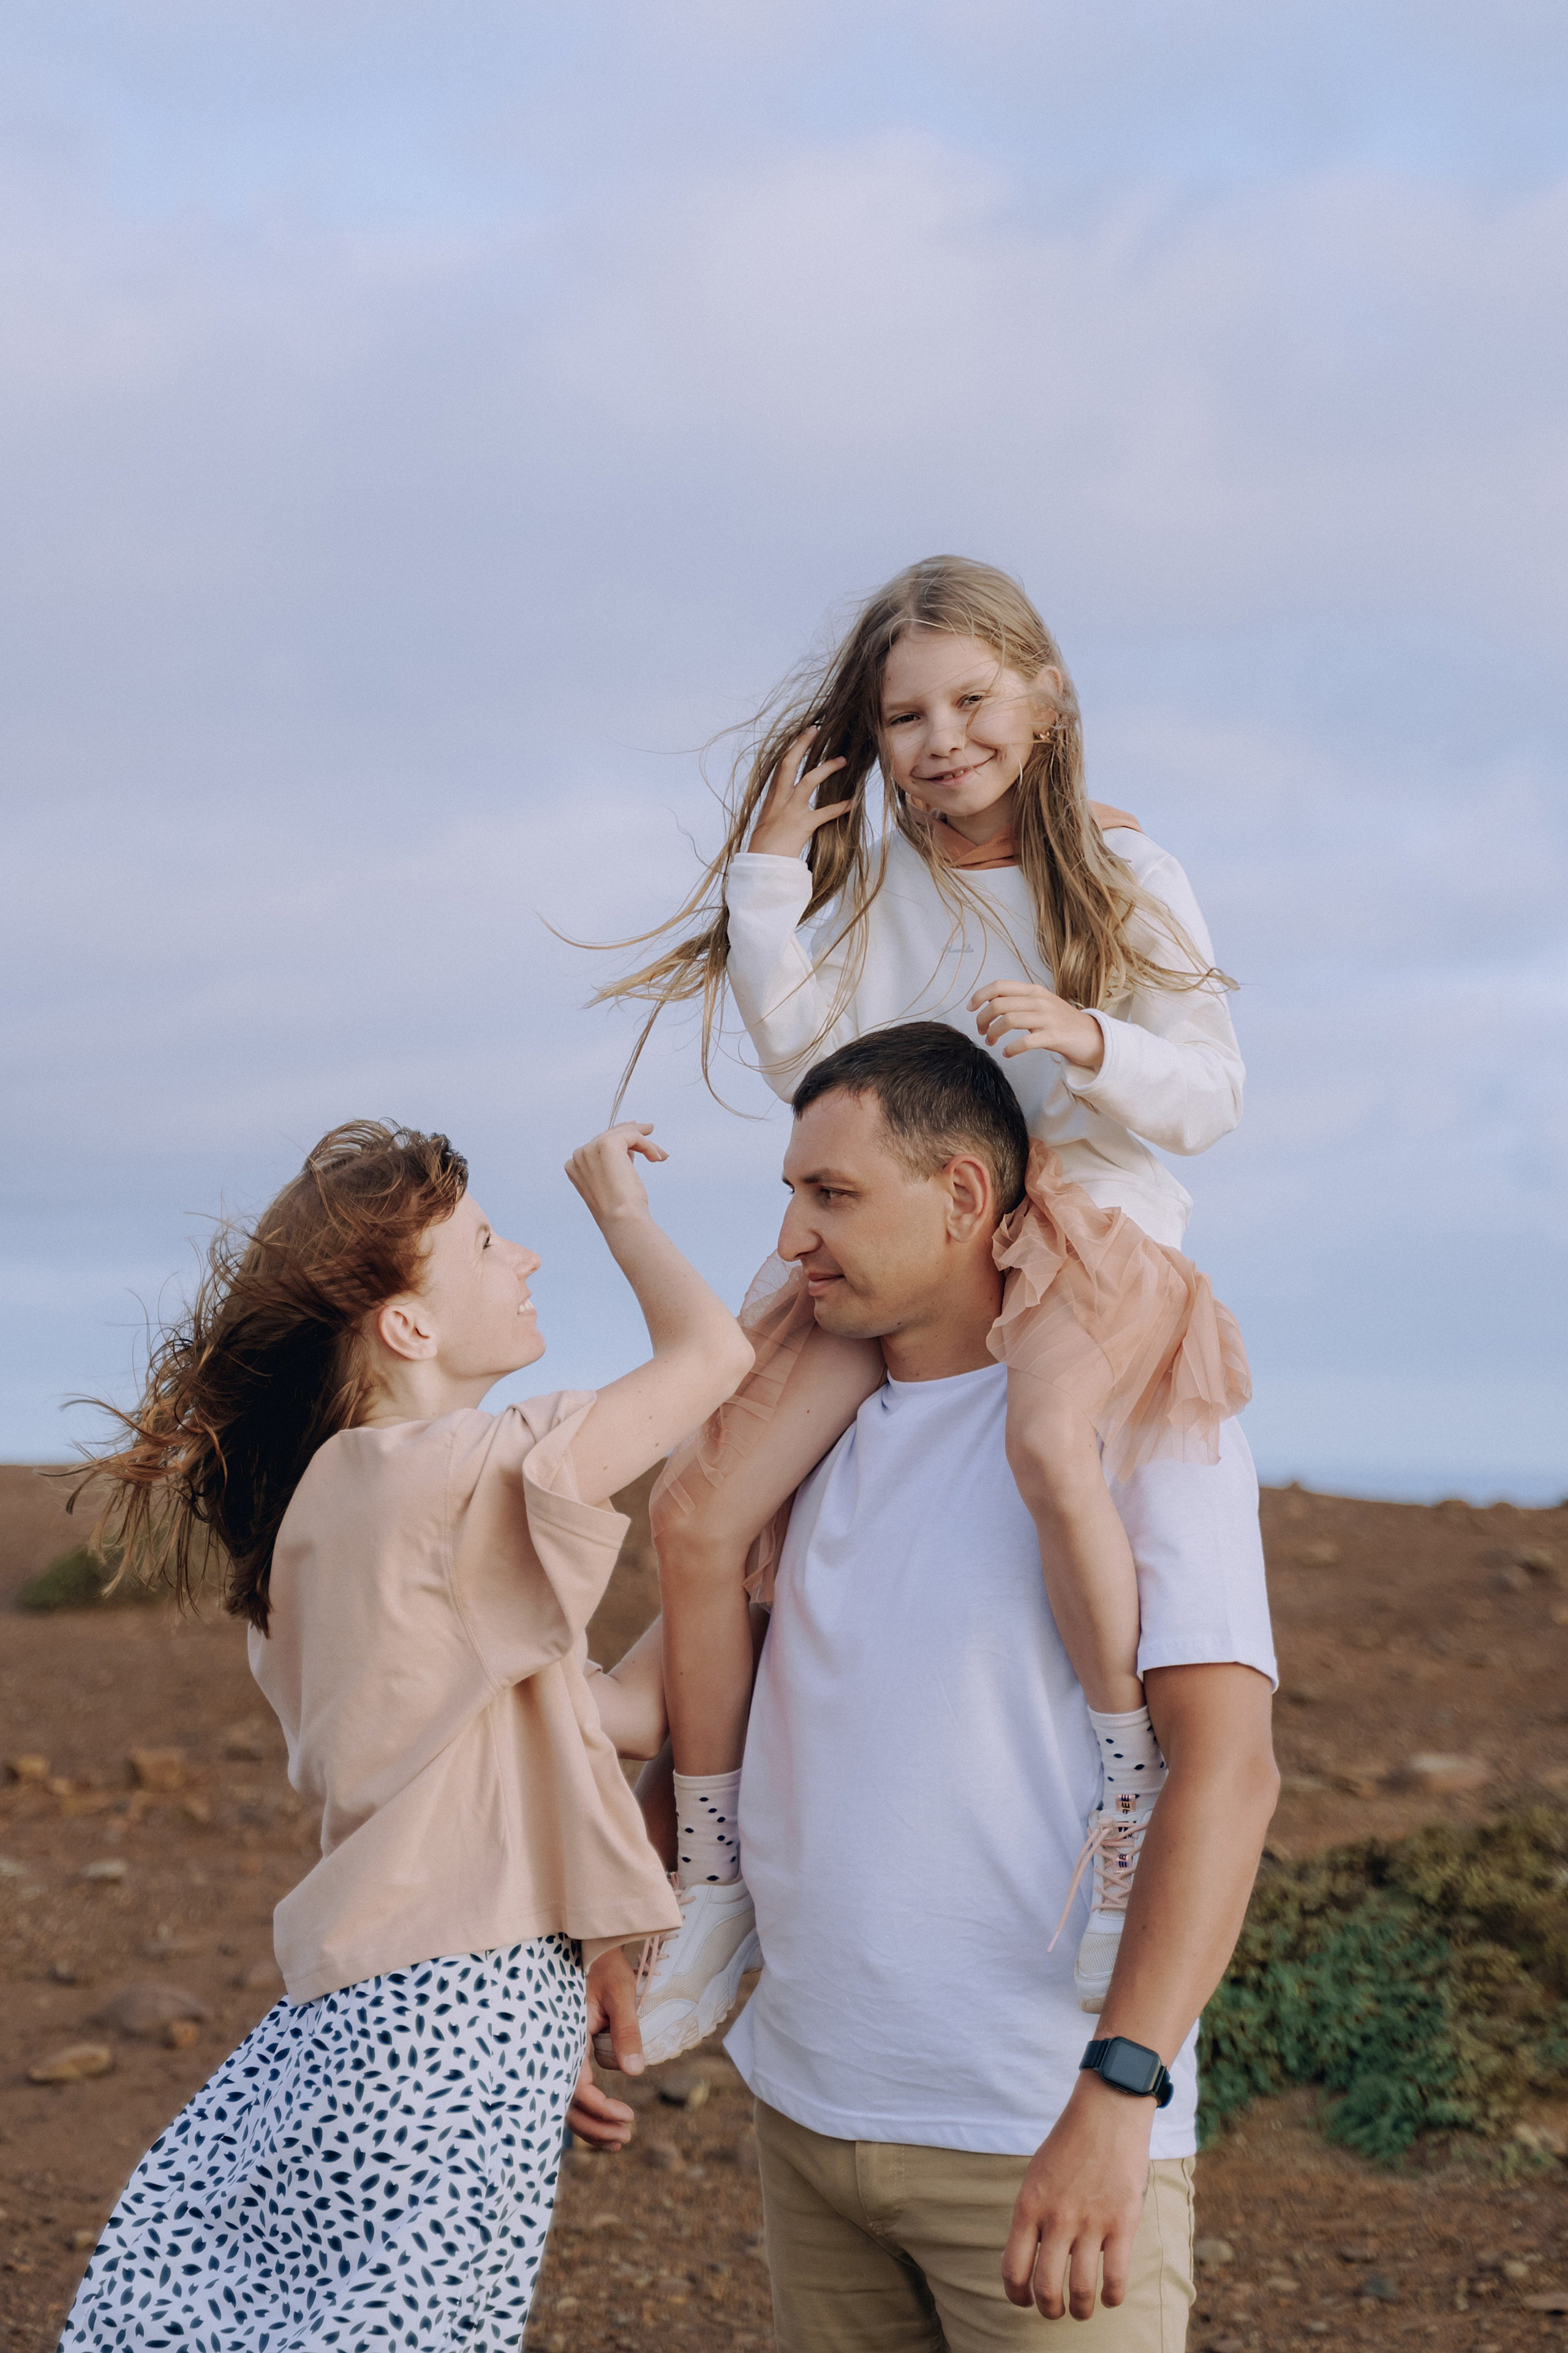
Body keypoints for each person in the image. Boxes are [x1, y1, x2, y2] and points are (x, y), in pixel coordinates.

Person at [606, 553, 1251, 2019]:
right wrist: (772, 868)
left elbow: (1211, 1092)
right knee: (704, 1511)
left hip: (1085, 1216)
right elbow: (808, 1065)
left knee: (1041, 1445)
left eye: (971, 699)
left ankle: (1122, 1801)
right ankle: (710, 1875)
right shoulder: (883, 881)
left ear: (1044, 697)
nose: (941, 736)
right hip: (927, 1237)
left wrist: (1088, 1041)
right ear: (870, 741)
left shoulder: (1126, 870)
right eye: (905, 715)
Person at [59, 1116, 752, 2353]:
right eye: (487, 1242)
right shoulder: (429, 1482)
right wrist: (617, 1207)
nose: (526, 1258)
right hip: (451, 2022)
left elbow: (629, 1715)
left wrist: (742, 1564)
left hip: (399, 2020)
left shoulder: (351, 1524)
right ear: (408, 1326)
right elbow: (711, 1353)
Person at [650, 1025, 1278, 2351]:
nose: (790, 1236)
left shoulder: (1144, 1414)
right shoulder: (806, 1438)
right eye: (788, 1192)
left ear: (960, 1199)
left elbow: (1228, 1767)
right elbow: (735, 1717)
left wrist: (1119, 2093)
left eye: (830, 1195)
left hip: (1032, 2138)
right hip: (809, 2123)